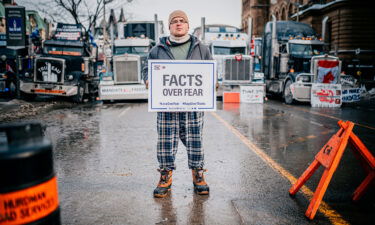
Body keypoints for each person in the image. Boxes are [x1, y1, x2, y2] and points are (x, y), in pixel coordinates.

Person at [142, 10, 212, 198]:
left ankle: (198, 175)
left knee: (195, 141)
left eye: (182, 21)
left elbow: (211, 72)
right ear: (169, 26)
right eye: (175, 21)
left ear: (188, 25)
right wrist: (148, 80)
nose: (179, 24)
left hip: (193, 108)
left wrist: (214, 82)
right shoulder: (157, 50)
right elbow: (146, 70)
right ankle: (166, 176)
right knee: (165, 143)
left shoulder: (202, 48)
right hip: (166, 108)